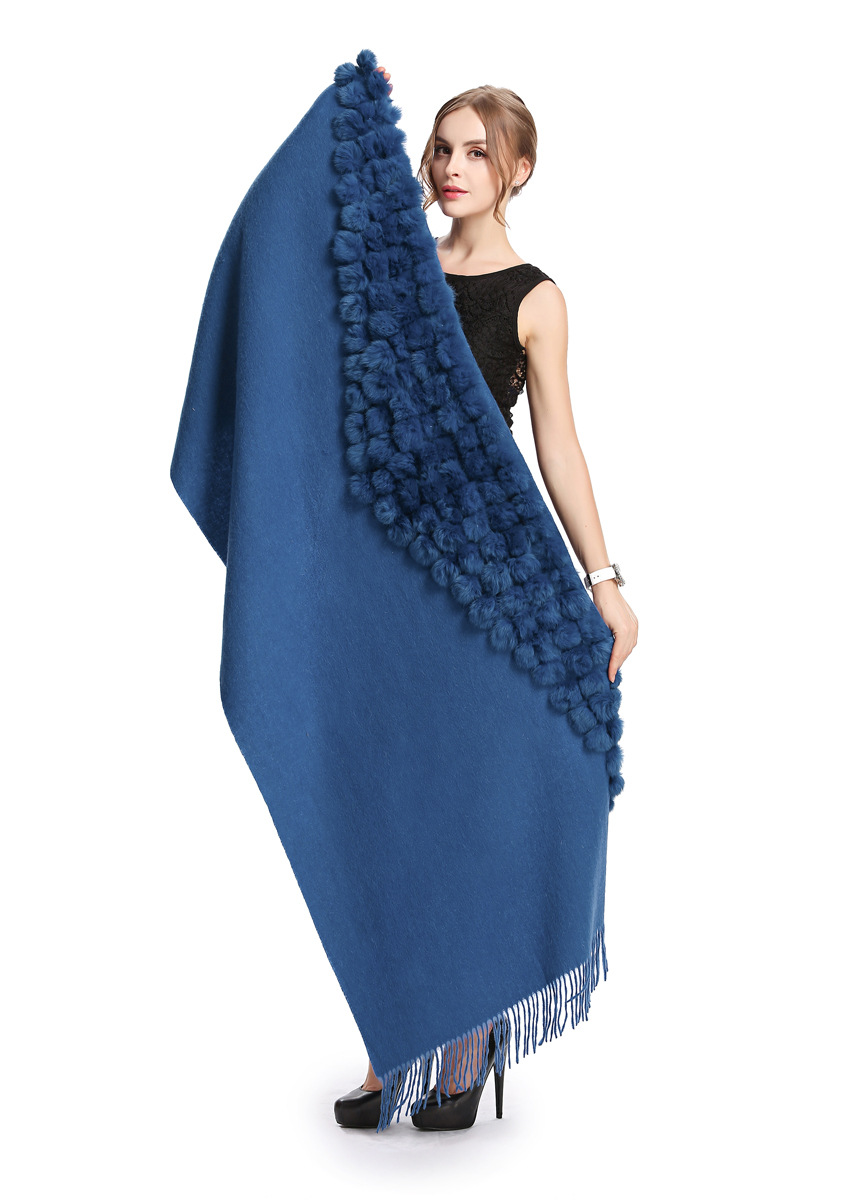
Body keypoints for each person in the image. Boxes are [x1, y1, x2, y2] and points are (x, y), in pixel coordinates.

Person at [334, 64, 638, 1131]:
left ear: (519, 170)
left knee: (465, 804)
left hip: (487, 571)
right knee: (386, 807)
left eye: (477, 152)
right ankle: (402, 1034)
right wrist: (358, 140)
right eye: (441, 148)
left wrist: (604, 582)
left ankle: (459, 1042)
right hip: (386, 563)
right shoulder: (395, 269)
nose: (452, 167)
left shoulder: (535, 298)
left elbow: (557, 443)